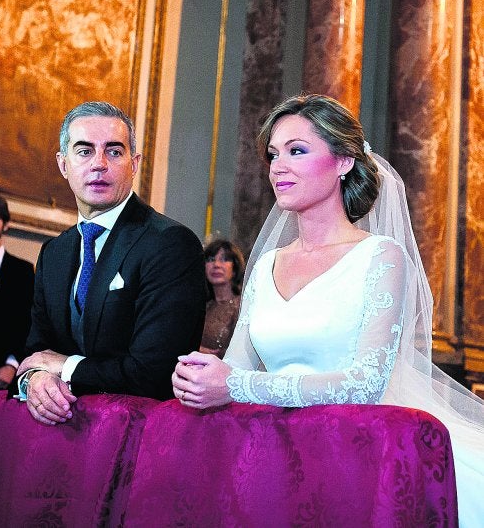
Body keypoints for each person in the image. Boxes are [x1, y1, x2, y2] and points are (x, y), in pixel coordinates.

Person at [172, 94, 484, 526]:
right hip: (273, 446)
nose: (278, 167)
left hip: (354, 449)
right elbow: (238, 367)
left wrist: (236, 384)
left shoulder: (381, 257)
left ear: (343, 162)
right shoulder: (266, 265)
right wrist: (199, 377)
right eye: (273, 155)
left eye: (297, 150)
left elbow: (365, 384)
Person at [16, 101, 207, 426]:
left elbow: (154, 371)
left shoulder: (170, 244)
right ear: (63, 164)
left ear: (134, 164)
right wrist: (34, 379)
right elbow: (36, 353)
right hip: (61, 435)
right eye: (84, 151)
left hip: (139, 436)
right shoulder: (53, 253)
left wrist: (65, 366)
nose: (99, 164)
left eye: (114, 152)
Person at [0, 196, 35, 389]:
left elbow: (28, 322)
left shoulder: (22, 271)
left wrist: (12, 364)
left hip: (1, 374)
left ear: (6, 224)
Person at [200, 238, 245, 359]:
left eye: (224, 259)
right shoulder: (201, 305)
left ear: (235, 268)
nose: (216, 265)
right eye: (211, 259)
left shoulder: (242, 306)